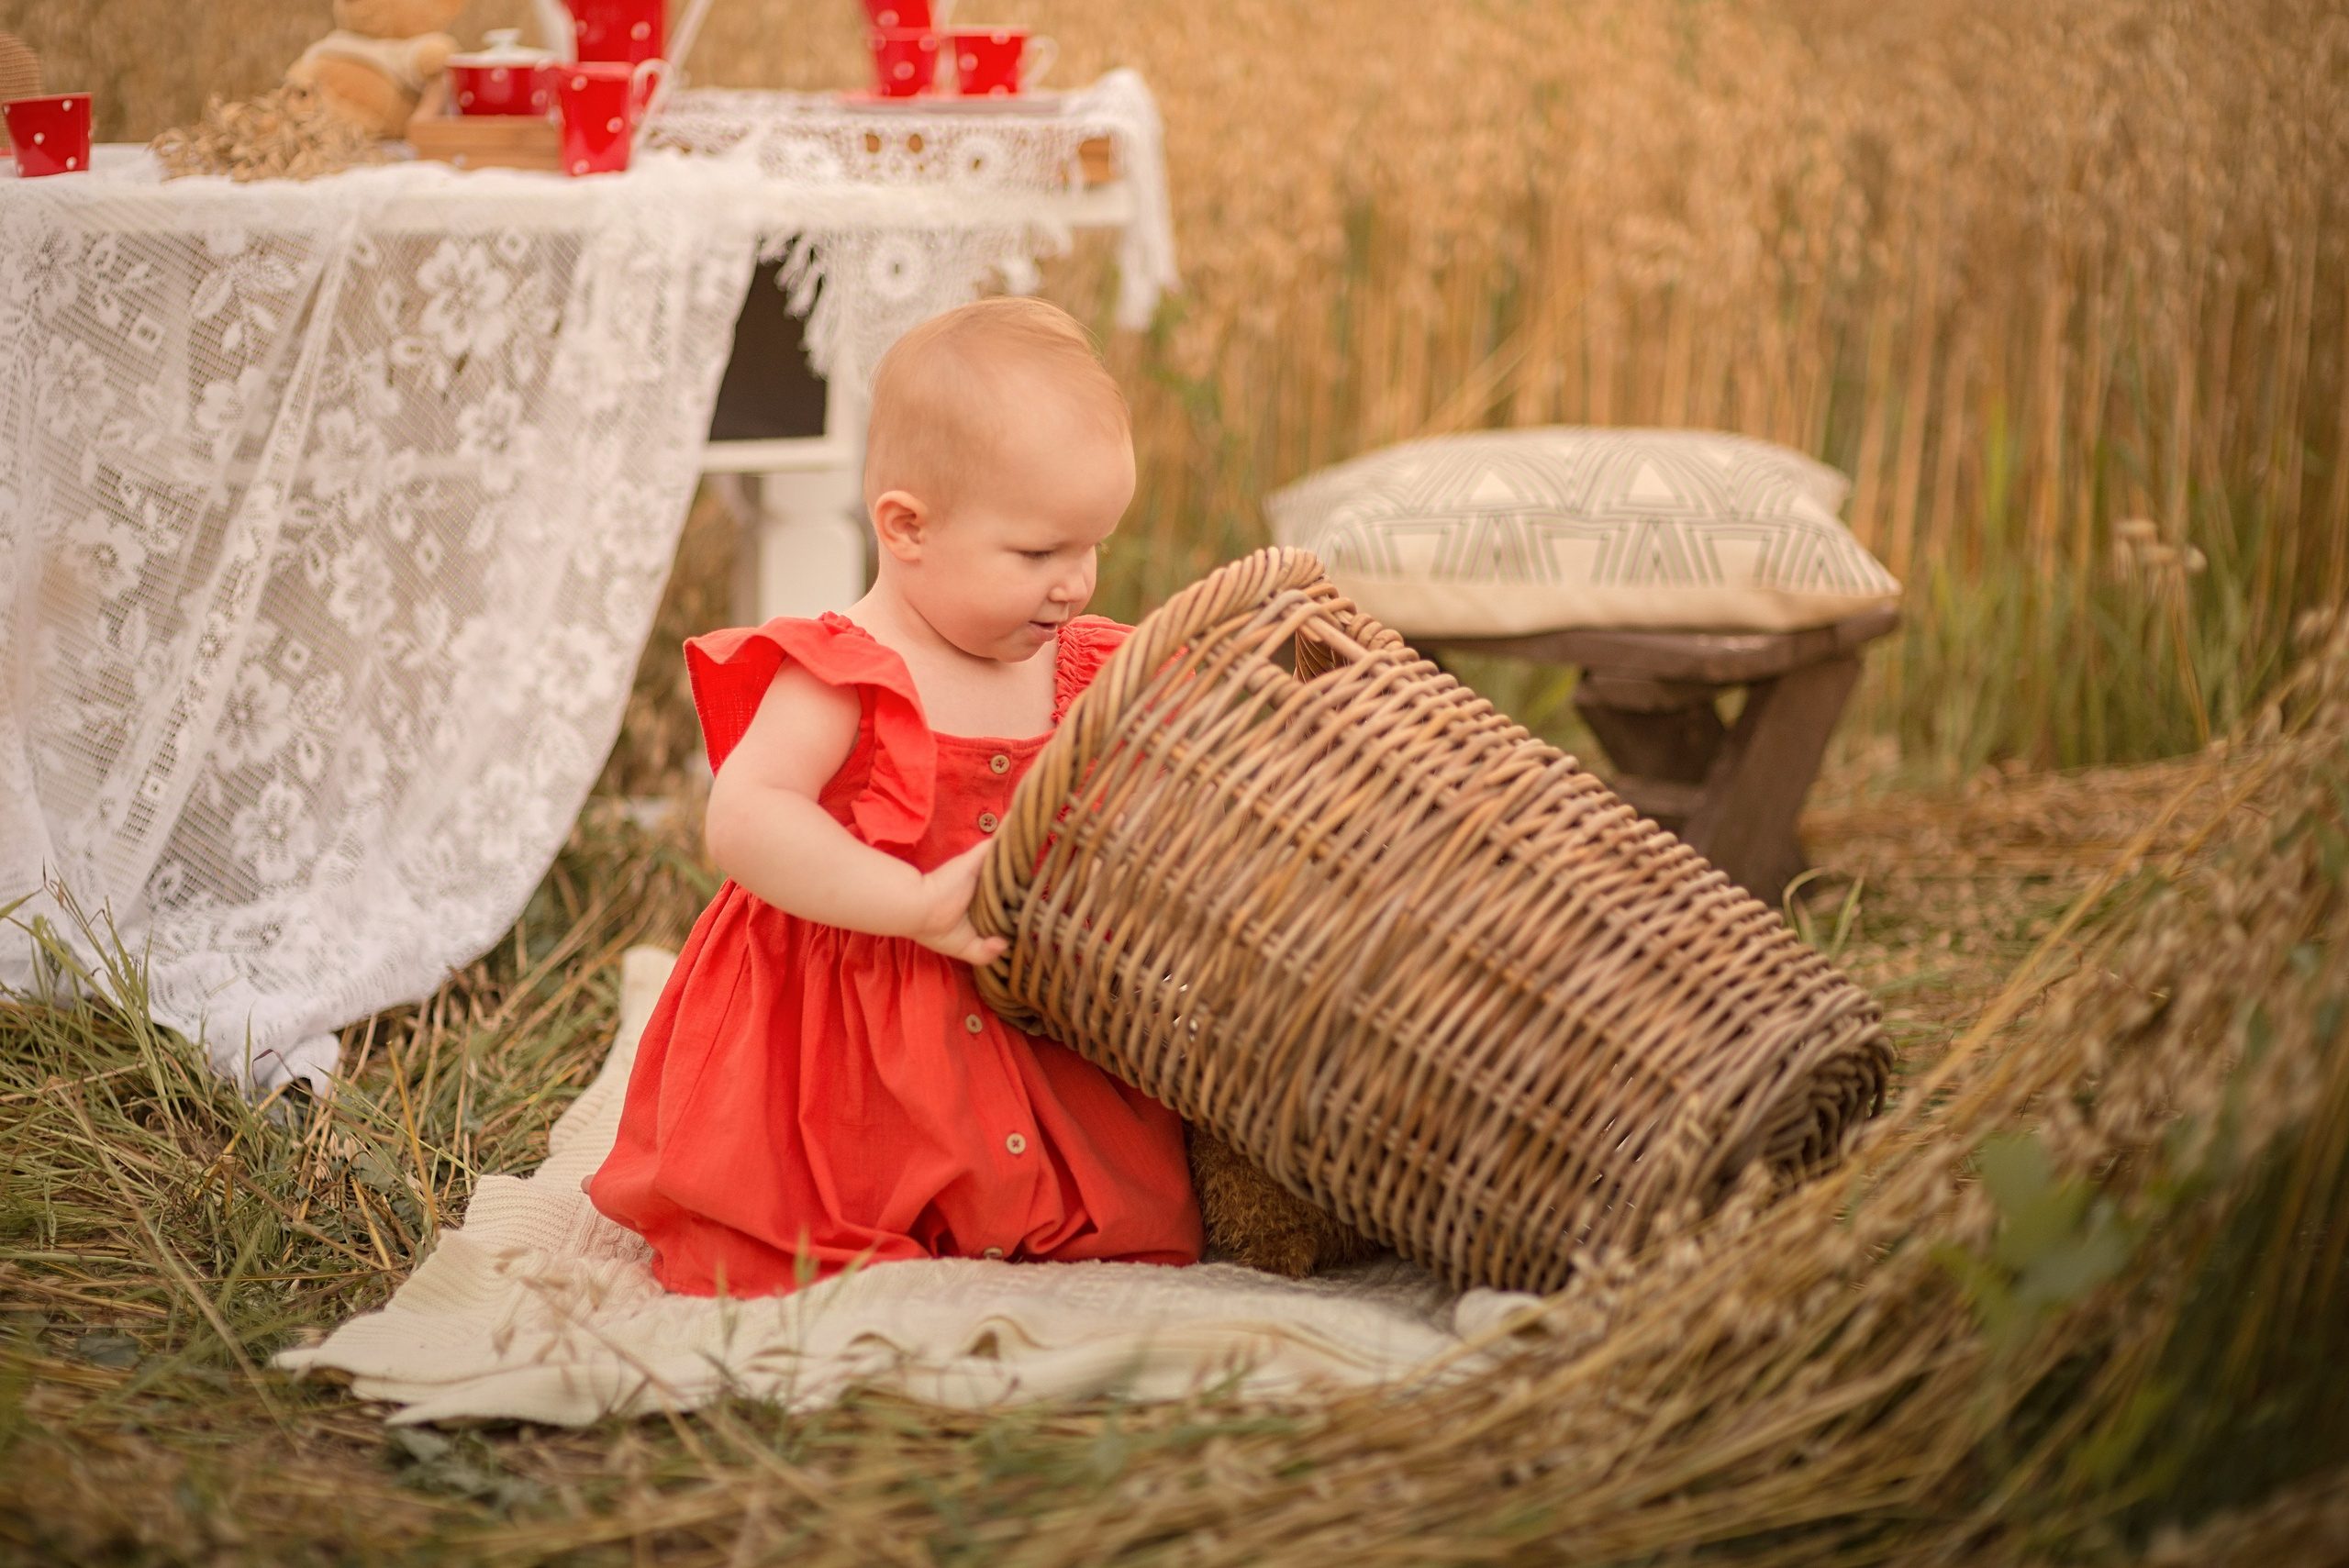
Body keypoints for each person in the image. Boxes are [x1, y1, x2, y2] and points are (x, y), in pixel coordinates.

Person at [587, 297, 1203, 1296]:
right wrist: (908, 903)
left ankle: (1025, 1204)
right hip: (850, 1019)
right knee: (810, 1216)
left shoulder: (1079, 667)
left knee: (1115, 1215)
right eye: (1039, 554)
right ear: (908, 527)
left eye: (1093, 546)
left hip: (1026, 1015)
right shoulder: (845, 672)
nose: (1075, 585)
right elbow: (745, 817)